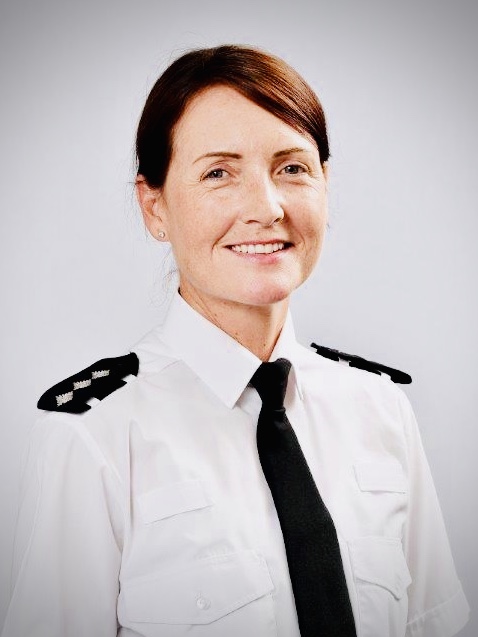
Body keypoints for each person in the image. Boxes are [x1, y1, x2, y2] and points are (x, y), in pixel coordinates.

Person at [1, 45, 469, 637]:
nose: (266, 208)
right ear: (154, 206)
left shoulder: (381, 409)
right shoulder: (94, 436)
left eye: (292, 168)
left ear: (326, 184)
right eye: (218, 173)